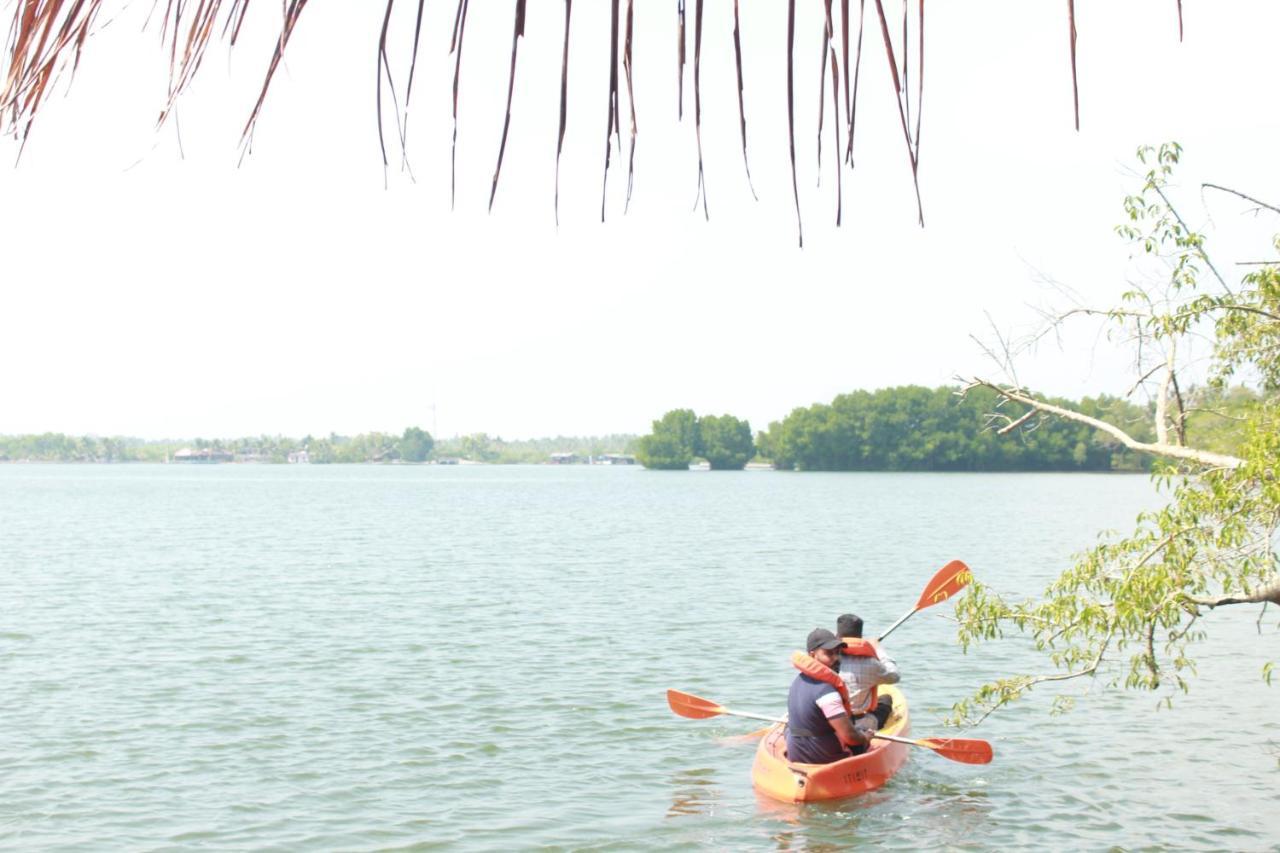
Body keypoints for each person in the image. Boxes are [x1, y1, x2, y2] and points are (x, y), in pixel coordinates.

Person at [785, 628, 876, 764]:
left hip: (797, 754)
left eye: (837, 653)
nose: (836, 658)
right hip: (825, 758)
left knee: (787, 728)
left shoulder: (798, 681)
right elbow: (850, 737)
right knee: (859, 735)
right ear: (812, 655)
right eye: (829, 653)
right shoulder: (827, 693)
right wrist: (865, 737)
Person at [835, 613, 899, 730]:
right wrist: (879, 650)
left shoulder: (829, 659)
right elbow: (894, 676)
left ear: (837, 636)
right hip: (861, 721)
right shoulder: (871, 663)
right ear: (860, 637)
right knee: (886, 699)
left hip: (834, 719)